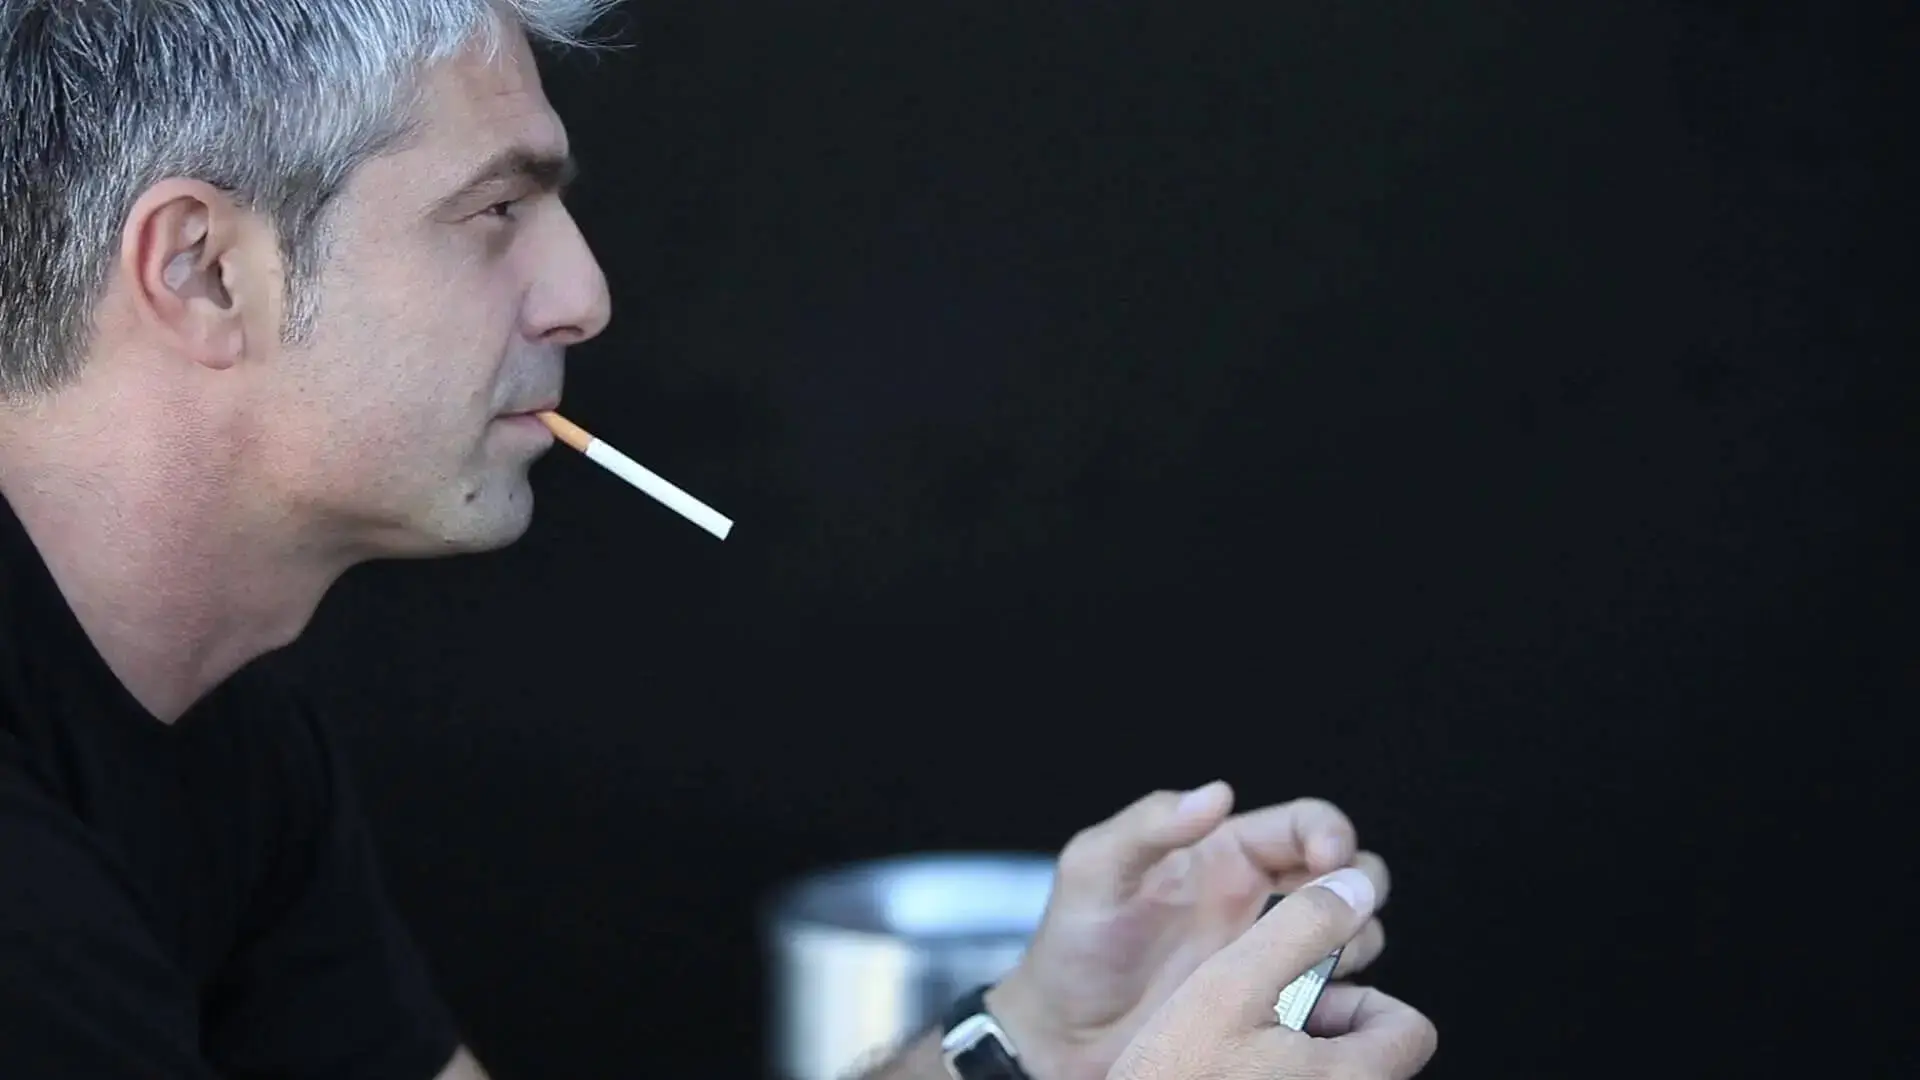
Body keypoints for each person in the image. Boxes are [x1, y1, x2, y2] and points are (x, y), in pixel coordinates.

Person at [0, 4, 1437, 1079]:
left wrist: (1038, 1043)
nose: (582, 292)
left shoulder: (231, 746)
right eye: (495, 209)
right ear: (205, 271)